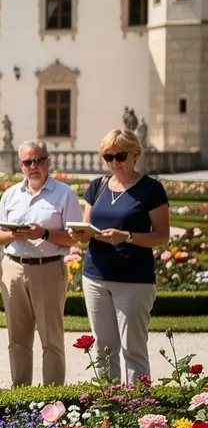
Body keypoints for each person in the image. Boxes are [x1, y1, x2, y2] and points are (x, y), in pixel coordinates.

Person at [68, 129, 170, 383]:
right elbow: (87, 224)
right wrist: (81, 234)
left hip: (134, 279)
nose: (114, 162)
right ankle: (109, 410)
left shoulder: (151, 189)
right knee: (103, 349)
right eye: (108, 157)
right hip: (95, 277)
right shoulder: (98, 186)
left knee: (133, 350)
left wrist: (127, 237)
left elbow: (162, 236)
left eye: (120, 156)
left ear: (135, 154)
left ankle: (138, 411)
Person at [0, 140, 82, 387]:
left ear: (48, 161)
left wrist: (43, 234)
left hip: (49, 268)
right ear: (21, 165)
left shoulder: (65, 194)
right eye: (28, 162)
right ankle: (21, 396)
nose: (34, 166)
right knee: (17, 339)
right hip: (13, 267)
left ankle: (53, 399)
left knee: (51, 339)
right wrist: (14, 234)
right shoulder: (11, 195)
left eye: (38, 160)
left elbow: (76, 237)